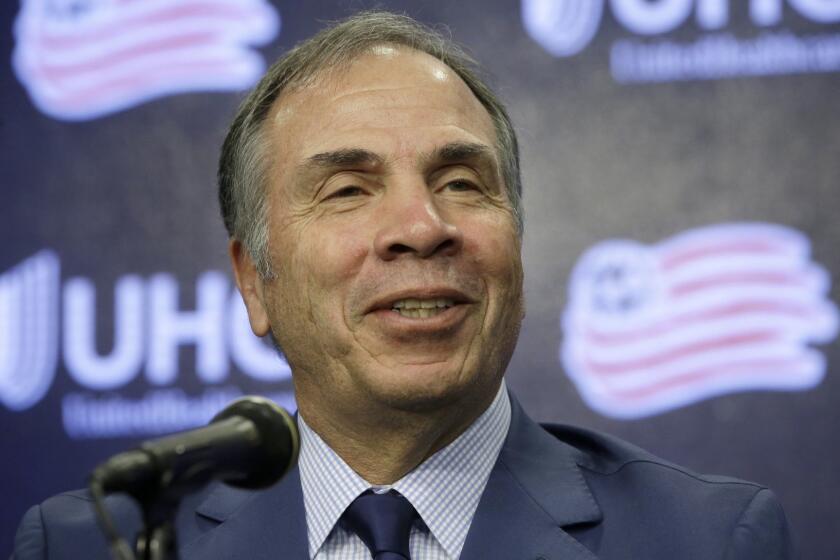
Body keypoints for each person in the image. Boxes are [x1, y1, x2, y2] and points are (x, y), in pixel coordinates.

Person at [13, 11, 792, 560]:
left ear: (515, 237)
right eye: (348, 190)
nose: (421, 226)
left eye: (460, 181)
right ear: (255, 282)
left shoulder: (711, 539)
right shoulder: (101, 543)